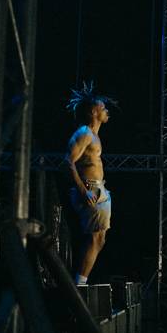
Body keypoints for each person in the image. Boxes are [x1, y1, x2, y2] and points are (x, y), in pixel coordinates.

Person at [66, 83, 115, 284]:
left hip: (98, 188)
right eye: (103, 108)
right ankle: (79, 285)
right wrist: (84, 191)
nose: (106, 111)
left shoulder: (94, 136)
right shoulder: (84, 133)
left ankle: (81, 281)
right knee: (96, 239)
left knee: (100, 239)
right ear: (94, 111)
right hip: (89, 188)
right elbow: (68, 161)